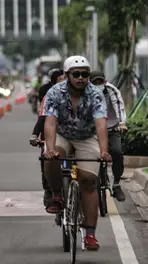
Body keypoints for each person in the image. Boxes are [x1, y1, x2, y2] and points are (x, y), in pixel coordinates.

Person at [42, 55, 111, 251]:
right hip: (62, 134)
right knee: (51, 157)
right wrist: (51, 148)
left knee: (89, 181)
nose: (81, 78)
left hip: (86, 137)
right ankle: (56, 194)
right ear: (67, 75)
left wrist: (104, 151)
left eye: (85, 74)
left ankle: (90, 234)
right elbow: (50, 122)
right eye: (76, 74)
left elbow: (100, 124)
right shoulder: (55, 92)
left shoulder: (95, 94)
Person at [29, 68, 65, 207]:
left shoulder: (85, 93)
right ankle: (50, 191)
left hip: (72, 135)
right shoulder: (49, 94)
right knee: (47, 159)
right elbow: (43, 117)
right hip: (51, 132)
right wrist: (35, 134)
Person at [90, 70, 127, 202]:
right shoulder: (86, 92)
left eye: (101, 81)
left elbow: (119, 107)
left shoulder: (112, 90)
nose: (99, 84)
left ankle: (116, 183)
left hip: (111, 128)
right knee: (91, 155)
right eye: (95, 82)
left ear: (105, 81)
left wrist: (122, 123)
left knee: (117, 152)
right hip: (93, 130)